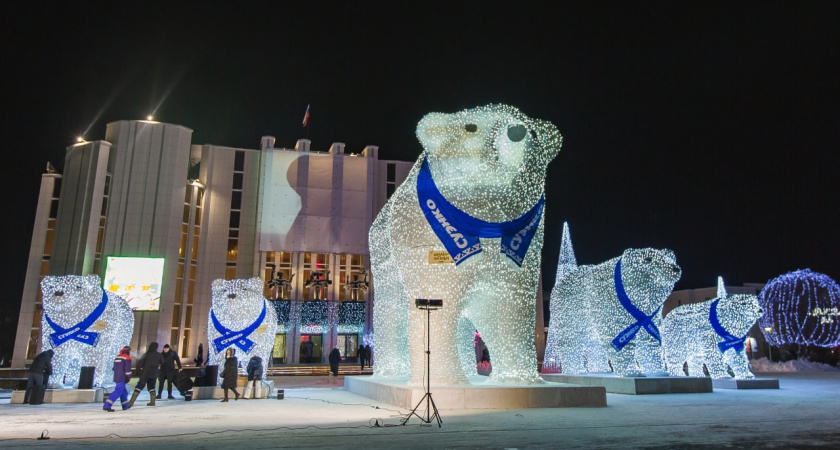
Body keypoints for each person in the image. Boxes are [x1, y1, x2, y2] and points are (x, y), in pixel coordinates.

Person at [129, 342, 162, 407]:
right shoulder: (159, 355)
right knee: (152, 388)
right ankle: (152, 402)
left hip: (145, 374)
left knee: (139, 387)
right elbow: (162, 362)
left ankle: (131, 402)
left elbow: (139, 364)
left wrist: (136, 372)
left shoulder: (146, 354)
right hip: (154, 374)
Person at [103, 346, 132, 412]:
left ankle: (125, 405)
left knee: (123, 391)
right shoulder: (127, 357)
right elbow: (127, 370)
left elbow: (114, 368)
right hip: (122, 377)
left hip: (117, 376)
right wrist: (128, 378)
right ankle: (107, 405)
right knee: (118, 391)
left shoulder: (118, 356)